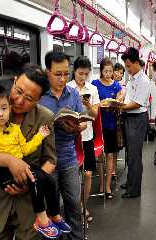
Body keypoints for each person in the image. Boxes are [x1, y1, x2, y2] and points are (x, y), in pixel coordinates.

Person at [0, 84, 71, 239]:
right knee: (35, 179)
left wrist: (40, 136)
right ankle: (42, 219)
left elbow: (25, 149)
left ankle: (54, 214)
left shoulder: (14, 129)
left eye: (4, 108)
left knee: (49, 181)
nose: (0, 114)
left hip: (21, 168)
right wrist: (6, 160)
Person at [0, 64, 57, 240]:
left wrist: (32, 184)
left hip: (29, 204)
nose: (19, 101)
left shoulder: (45, 118)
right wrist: (8, 160)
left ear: (39, 100)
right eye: (18, 91)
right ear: (14, 81)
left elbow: (50, 160)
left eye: (29, 98)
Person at [40, 51, 85, 240]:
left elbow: (82, 121)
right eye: (58, 74)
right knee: (52, 208)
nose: (63, 78)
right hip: (46, 158)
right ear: (47, 71)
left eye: (66, 73)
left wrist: (76, 127)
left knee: (74, 204)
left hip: (68, 156)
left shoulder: (73, 93)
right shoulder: (40, 95)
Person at [67, 56, 99, 222]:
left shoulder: (92, 89)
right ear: (74, 71)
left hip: (87, 136)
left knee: (87, 175)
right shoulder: (67, 88)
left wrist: (87, 105)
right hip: (71, 137)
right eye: (80, 73)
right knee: (72, 176)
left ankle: (84, 206)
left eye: (86, 74)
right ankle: (73, 209)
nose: (83, 77)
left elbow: (95, 114)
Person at [120, 47, 150, 198]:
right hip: (128, 117)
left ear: (137, 62)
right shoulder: (132, 77)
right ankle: (130, 181)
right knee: (129, 153)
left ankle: (134, 190)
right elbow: (128, 96)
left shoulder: (144, 80)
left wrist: (119, 106)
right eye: (126, 66)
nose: (127, 69)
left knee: (134, 155)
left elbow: (137, 104)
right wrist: (120, 100)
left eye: (129, 66)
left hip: (137, 119)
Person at [92, 57, 123, 199]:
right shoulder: (94, 84)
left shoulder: (116, 85)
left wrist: (117, 102)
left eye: (111, 71)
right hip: (97, 124)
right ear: (101, 71)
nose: (108, 74)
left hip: (111, 124)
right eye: (106, 71)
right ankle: (101, 183)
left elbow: (119, 100)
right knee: (99, 156)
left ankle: (108, 185)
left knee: (110, 155)